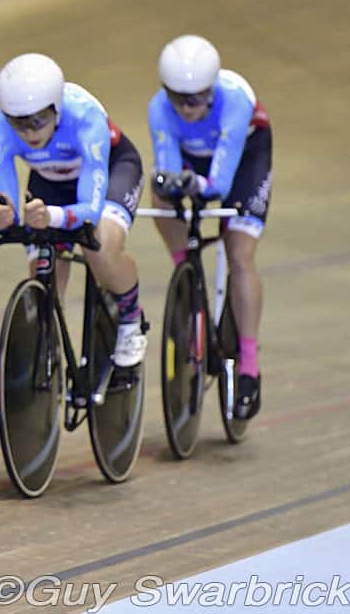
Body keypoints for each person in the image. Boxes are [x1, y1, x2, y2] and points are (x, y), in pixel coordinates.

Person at [0, 53, 147, 369]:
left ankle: (131, 316)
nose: (29, 132)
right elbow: (4, 198)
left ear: (57, 109)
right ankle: (52, 357)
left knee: (100, 248)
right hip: (51, 182)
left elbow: (90, 209)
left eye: (38, 121)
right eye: (19, 123)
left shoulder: (85, 118)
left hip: (111, 171)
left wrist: (54, 217)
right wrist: (7, 218)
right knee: (44, 275)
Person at [148, 34, 271, 419]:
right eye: (178, 98)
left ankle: (249, 364)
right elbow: (168, 165)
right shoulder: (159, 108)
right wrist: (172, 183)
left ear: (212, 89)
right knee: (160, 198)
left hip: (243, 162)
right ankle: (186, 269)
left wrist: (195, 185)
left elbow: (220, 180)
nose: (186, 108)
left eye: (197, 99)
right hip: (194, 161)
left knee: (239, 253)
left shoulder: (235, 100)